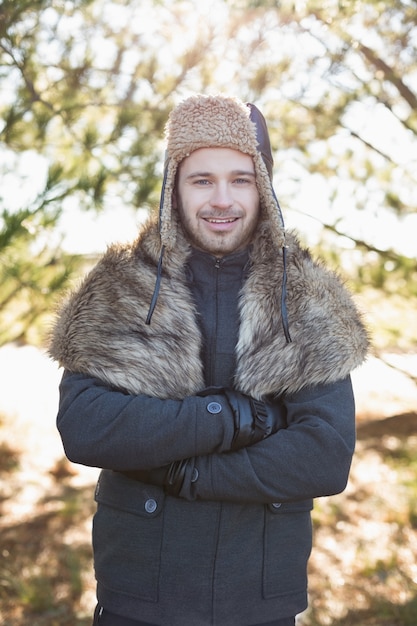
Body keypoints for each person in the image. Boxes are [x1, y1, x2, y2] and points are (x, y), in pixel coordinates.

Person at [49, 94, 369, 626]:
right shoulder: (122, 287)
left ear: (263, 187)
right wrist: (232, 419)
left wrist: (185, 473)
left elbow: (324, 455)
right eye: (202, 180)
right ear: (173, 186)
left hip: (259, 598)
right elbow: (87, 427)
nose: (223, 199)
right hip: (140, 598)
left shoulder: (307, 297)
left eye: (241, 179)